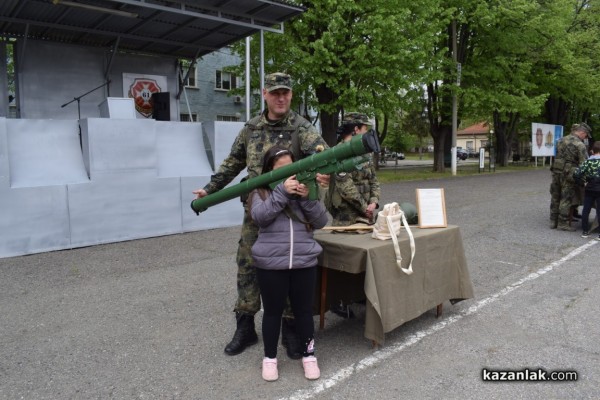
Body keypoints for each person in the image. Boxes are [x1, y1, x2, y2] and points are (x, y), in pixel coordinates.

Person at [192, 72, 329, 358]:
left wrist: (323, 174)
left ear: (291, 95)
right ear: (265, 94)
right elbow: (232, 164)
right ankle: (245, 327)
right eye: (275, 92)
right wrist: (209, 189)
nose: (281, 98)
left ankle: (290, 330)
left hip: (291, 215)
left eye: (286, 93)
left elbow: (323, 156)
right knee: (247, 265)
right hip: (258, 209)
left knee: (289, 269)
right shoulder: (251, 128)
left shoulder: (301, 128)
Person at [249, 145, 328, 381]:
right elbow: (260, 217)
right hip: (271, 264)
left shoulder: (305, 188)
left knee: (304, 312)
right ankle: (270, 358)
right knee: (272, 312)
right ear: (270, 170)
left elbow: (322, 221)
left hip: (304, 261)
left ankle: (309, 355)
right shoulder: (259, 192)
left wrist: (307, 198)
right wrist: (281, 193)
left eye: (291, 166)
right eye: (281, 168)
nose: (289, 173)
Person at [326, 112, 380, 226]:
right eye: (365, 129)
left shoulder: (364, 153)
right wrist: (366, 209)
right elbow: (347, 188)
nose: (366, 133)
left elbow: (374, 180)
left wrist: (374, 201)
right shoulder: (338, 153)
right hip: (347, 221)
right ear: (356, 129)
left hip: (366, 218)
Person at [549, 123, 590, 231]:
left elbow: (557, 155)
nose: (585, 138)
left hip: (556, 170)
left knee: (555, 195)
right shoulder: (579, 145)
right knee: (566, 198)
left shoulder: (560, 140)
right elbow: (584, 163)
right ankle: (562, 223)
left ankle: (553, 221)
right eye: (585, 135)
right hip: (569, 173)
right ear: (582, 132)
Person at [573, 140, 600, 239]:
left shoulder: (588, 162)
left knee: (586, 210)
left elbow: (576, 174)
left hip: (589, 188)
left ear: (593, 151)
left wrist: (582, 182)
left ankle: (584, 231)